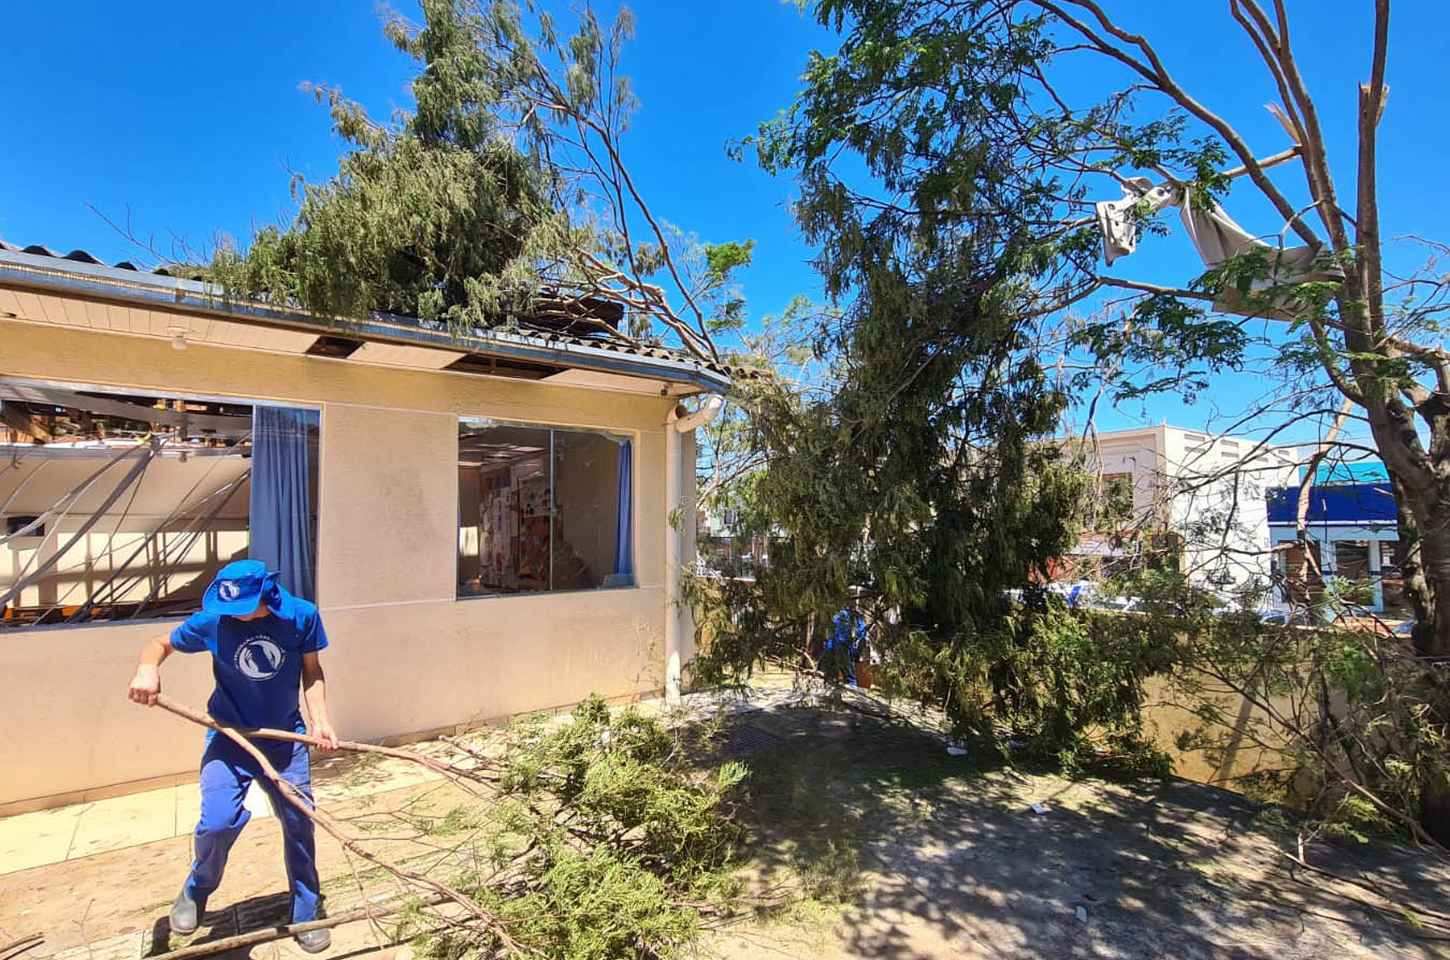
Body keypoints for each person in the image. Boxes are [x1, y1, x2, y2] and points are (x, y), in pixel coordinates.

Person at [127, 559, 338, 953]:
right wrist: (146, 670)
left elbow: (313, 671)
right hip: (229, 736)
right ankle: (197, 888)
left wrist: (319, 720)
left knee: (299, 821)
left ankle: (307, 910)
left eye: (240, 608)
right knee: (218, 821)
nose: (230, 616)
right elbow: (160, 644)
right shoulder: (214, 621)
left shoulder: (301, 617)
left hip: (283, 739)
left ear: (266, 597)